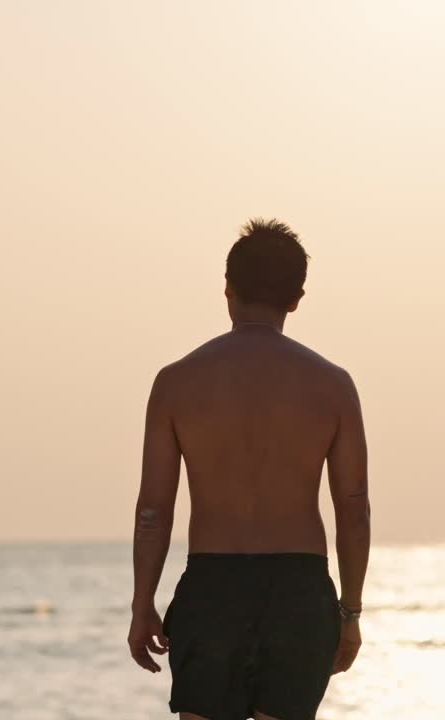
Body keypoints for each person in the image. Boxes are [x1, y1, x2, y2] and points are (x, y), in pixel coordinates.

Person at [127, 219, 371, 720]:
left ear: (227, 289)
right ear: (297, 298)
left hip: (213, 584)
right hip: (299, 587)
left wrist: (142, 603)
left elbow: (154, 509)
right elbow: (353, 508)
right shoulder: (333, 386)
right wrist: (349, 611)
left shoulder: (176, 382)